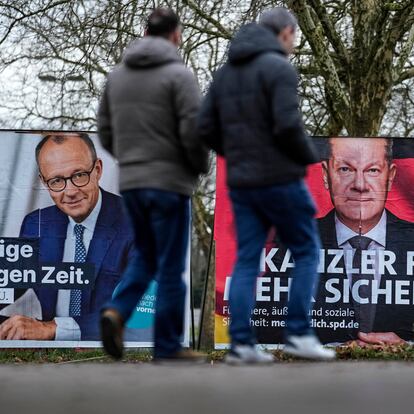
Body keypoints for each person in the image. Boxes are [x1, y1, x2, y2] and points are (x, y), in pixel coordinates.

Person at [198, 7, 335, 363]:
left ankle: (241, 345)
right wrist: (312, 156)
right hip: (279, 178)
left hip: (242, 182)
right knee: (306, 252)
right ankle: (299, 334)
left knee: (247, 260)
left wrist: (238, 153)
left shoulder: (225, 73)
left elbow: (205, 128)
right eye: (295, 36)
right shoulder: (279, 68)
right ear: (286, 32)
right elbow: (288, 126)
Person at [98, 8, 208, 361]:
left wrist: (130, 160)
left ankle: (116, 310)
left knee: (145, 255)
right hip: (169, 182)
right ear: (176, 34)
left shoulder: (117, 77)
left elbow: (105, 130)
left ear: (146, 31)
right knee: (171, 265)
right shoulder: (179, 75)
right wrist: (197, 167)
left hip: (132, 183)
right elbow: (193, 130)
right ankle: (167, 348)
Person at [0, 133, 135, 341]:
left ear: (97, 170)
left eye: (79, 175)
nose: (70, 191)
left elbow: (139, 311)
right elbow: (10, 282)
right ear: (44, 182)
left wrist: (52, 329)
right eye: (56, 180)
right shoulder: (36, 223)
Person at [315, 137, 414, 345]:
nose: (360, 185)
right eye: (345, 169)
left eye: (373, 170)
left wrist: (408, 348)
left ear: (390, 176)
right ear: (326, 175)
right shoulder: (286, 245)